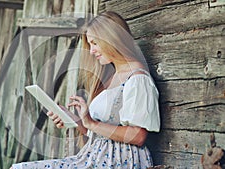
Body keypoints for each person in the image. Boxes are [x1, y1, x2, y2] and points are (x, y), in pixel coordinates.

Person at [11, 11, 160, 169]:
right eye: (90, 45)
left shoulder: (137, 79)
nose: (91, 51)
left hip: (120, 160)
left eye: (95, 43)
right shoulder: (113, 76)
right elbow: (99, 131)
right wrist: (75, 120)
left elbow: (138, 136)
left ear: (111, 39)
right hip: (95, 156)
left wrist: (91, 123)